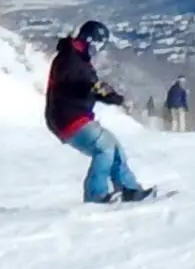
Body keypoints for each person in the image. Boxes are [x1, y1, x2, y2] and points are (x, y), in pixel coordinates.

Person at [44, 20, 154, 203]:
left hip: (75, 116)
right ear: (90, 41)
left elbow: (91, 86)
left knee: (114, 148)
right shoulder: (68, 58)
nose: (98, 51)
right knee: (104, 147)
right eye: (98, 45)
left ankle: (129, 189)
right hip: (66, 118)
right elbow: (74, 82)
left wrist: (112, 96)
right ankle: (95, 195)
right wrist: (93, 88)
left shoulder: (79, 60)